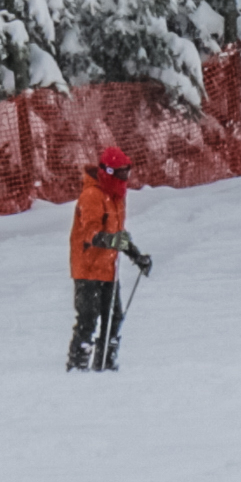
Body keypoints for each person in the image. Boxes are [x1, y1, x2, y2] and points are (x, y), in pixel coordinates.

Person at [66, 145, 150, 371]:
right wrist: (113, 242)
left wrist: (135, 255)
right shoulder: (92, 195)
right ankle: (77, 365)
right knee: (88, 319)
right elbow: (90, 234)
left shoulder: (117, 196)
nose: (126, 178)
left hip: (108, 268)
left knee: (114, 318)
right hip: (88, 268)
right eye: (121, 173)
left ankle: (106, 364)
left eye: (127, 172)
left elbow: (118, 234)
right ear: (109, 173)